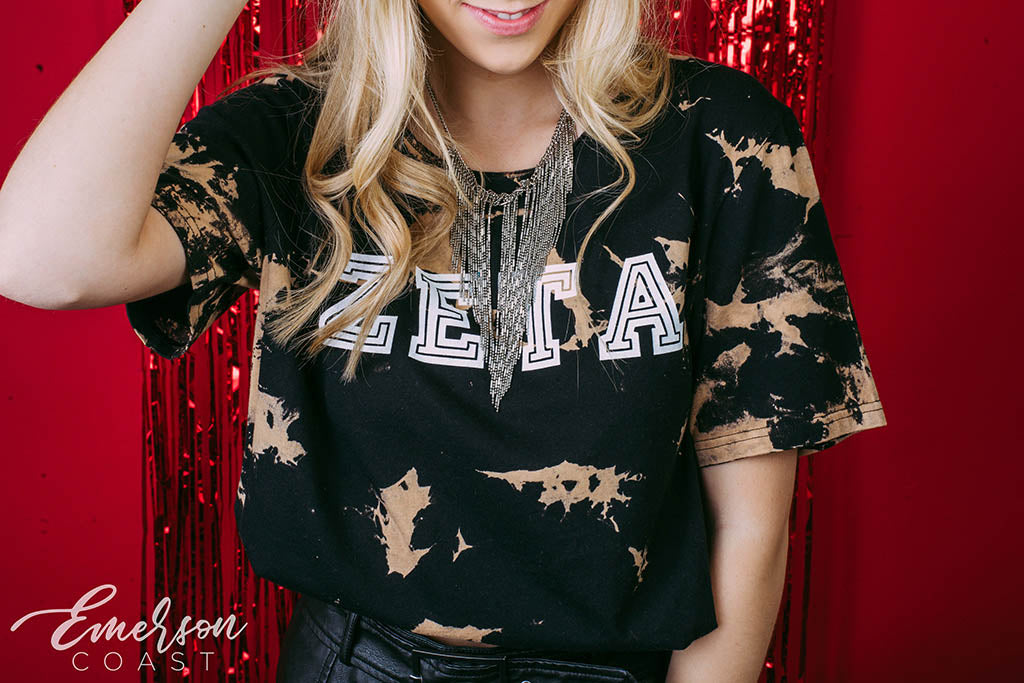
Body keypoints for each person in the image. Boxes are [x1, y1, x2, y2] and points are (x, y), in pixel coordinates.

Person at [0, 0, 888, 681]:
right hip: (357, 661)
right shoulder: (297, 131)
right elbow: (39, 255)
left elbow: (750, 523)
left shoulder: (724, 135)